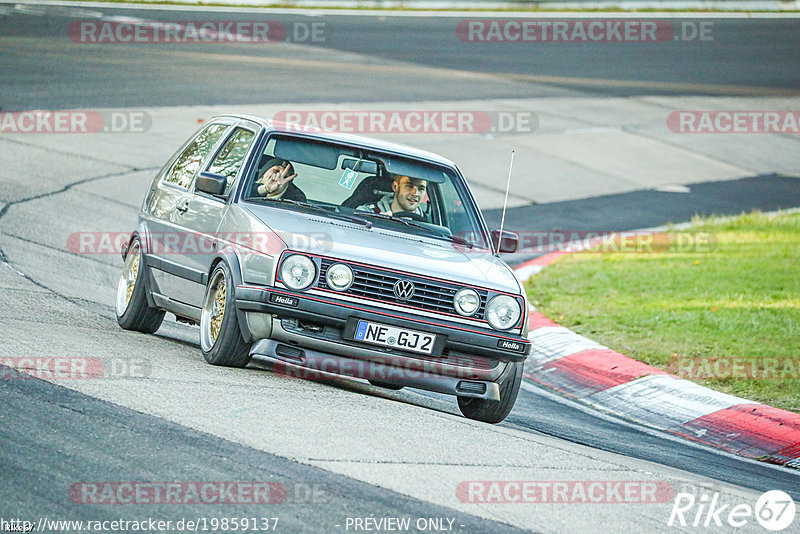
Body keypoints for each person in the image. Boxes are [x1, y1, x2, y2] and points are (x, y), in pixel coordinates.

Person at [357, 174, 427, 217]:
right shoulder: (367, 213)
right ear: (395, 187)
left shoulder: (429, 225)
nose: (415, 193)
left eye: (421, 189)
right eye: (409, 186)